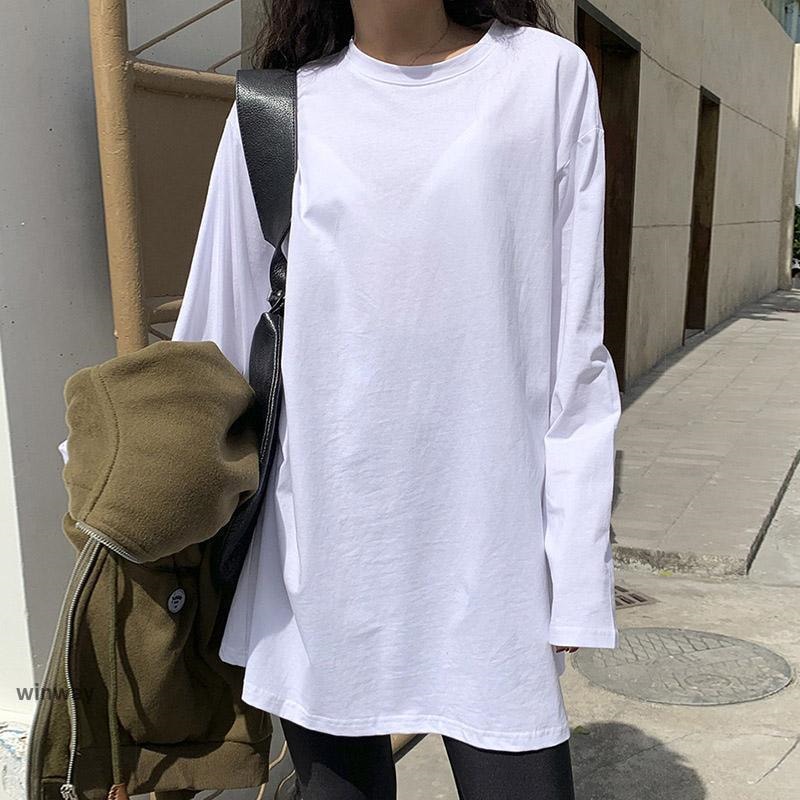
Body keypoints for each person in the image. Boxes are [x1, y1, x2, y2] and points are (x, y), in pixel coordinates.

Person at [171, 1, 622, 798]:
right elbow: (209, 349)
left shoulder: (546, 79)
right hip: (318, 567)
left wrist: (575, 570)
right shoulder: (276, 113)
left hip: (492, 561)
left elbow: (575, 357)